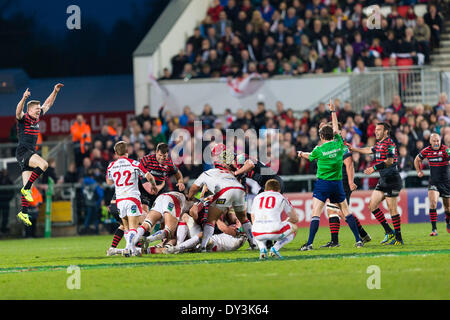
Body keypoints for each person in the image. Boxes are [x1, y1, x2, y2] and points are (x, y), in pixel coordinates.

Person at [297, 100, 363, 250]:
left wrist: (301, 154)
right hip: (338, 183)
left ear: (321, 136)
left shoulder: (318, 150)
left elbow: (309, 156)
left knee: (316, 213)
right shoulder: (339, 144)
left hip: (323, 184)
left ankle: (309, 243)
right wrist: (333, 112)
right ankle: (358, 240)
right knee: (346, 212)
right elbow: (336, 129)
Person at [15, 84, 64, 227]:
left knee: (27, 187)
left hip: (29, 153)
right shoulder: (23, 118)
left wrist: (55, 91)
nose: (39, 110)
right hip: (24, 152)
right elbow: (18, 112)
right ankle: (26, 189)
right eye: (36, 109)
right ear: (29, 110)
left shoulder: (36, 118)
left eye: (38, 109)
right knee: (44, 164)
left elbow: (48, 103)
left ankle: (23, 212)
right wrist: (23, 98)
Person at [187, 152, 257, 252]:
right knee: (244, 219)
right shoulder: (229, 171)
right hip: (239, 190)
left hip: (225, 191)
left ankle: (203, 246)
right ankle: (253, 244)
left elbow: (194, 188)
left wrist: (190, 198)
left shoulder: (208, 172)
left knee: (211, 219)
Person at [351, 122, 404, 245]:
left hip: (392, 180)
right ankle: (389, 232)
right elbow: (369, 149)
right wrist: (354, 149)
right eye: (376, 129)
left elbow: (390, 161)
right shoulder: (379, 144)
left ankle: (399, 239)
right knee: (372, 206)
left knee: (392, 209)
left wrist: (374, 168)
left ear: (386, 131)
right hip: (383, 180)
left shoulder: (390, 143)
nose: (376, 131)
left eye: (379, 129)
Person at [318, 122, 370, 248]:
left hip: (343, 181)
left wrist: (351, 181)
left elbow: (349, 164)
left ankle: (359, 236)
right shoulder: (332, 145)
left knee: (340, 211)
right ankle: (339, 240)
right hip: (335, 180)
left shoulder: (342, 145)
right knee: (334, 210)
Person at [106, 141, 157, 257]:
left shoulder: (111, 166)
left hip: (119, 200)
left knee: (126, 227)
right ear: (127, 151)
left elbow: (108, 182)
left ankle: (128, 248)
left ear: (115, 153)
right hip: (132, 198)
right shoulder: (135, 163)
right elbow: (149, 176)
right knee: (134, 226)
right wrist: (153, 185)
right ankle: (130, 249)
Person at [251, 179, 299, 260]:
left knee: (255, 227)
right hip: (275, 230)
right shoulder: (281, 197)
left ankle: (262, 249)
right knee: (295, 228)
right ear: (279, 190)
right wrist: (285, 222)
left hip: (256, 233)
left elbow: (253, 218)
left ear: (265, 190)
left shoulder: (257, 197)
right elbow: (295, 219)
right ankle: (275, 249)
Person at [414, 133, 450, 235]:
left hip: (446, 182)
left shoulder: (445, 150)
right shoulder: (427, 150)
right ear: (430, 141)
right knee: (433, 203)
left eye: (438, 140)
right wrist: (418, 171)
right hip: (434, 181)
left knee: (448, 208)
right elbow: (417, 159)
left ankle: (448, 220)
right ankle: (434, 230)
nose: (436, 142)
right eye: (434, 141)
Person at [0, 170, 14, 234]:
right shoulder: (5, 179)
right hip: (4, 200)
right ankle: (3, 229)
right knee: (5, 216)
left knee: (5, 216)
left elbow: (12, 190)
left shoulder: (8, 180)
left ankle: (3, 229)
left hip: (5, 201)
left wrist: (9, 198)